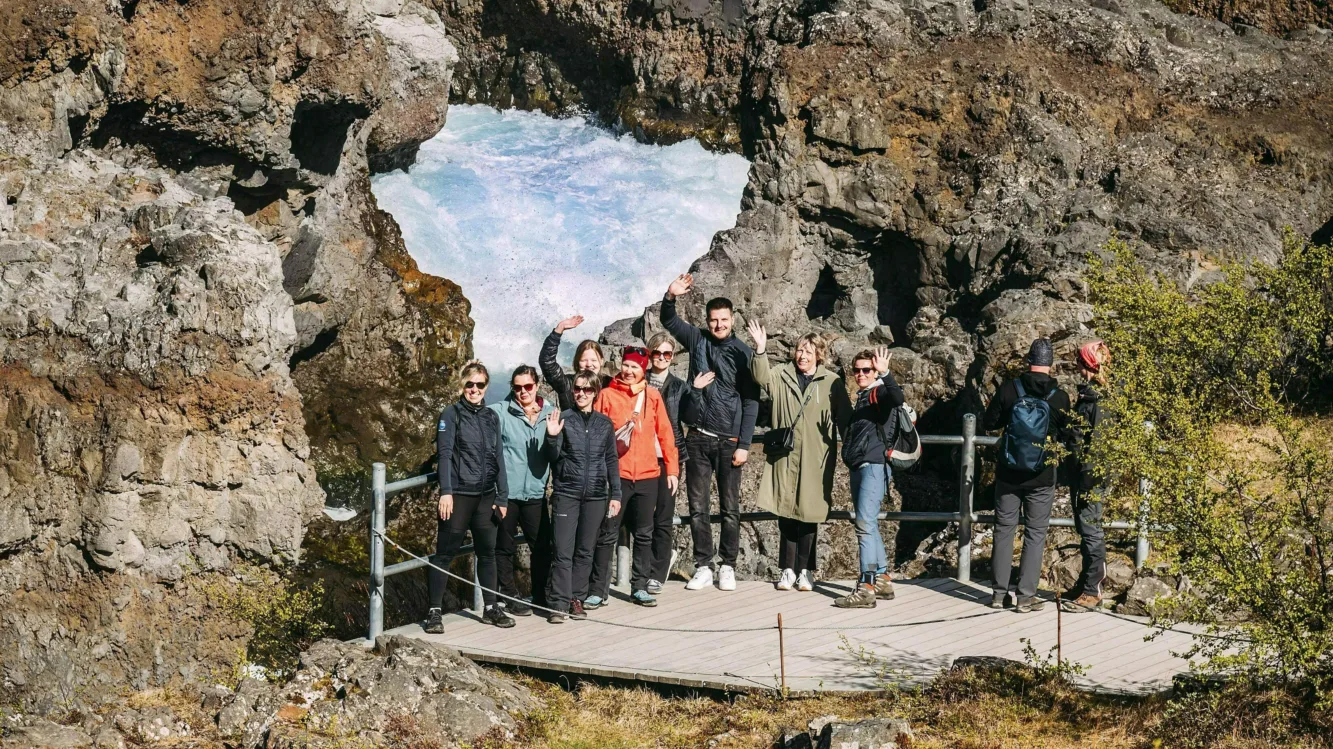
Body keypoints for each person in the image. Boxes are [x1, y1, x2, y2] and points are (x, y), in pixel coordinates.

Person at [661, 273, 760, 592]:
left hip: (729, 441)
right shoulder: (697, 339)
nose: (719, 325)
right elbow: (669, 320)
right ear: (707, 320)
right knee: (698, 506)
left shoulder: (743, 352)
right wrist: (670, 294)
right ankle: (704, 565)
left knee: (730, 508)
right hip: (698, 438)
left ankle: (728, 566)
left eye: (724, 320)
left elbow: (751, 400)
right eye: (714, 320)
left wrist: (744, 443)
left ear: (732, 320)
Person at [746, 321, 850, 593]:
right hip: (786, 457)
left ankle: (805, 571)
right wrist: (760, 349)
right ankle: (787, 570)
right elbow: (760, 377)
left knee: (809, 515)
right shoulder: (781, 374)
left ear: (819, 354)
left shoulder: (832, 382)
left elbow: (846, 419)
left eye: (808, 351)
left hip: (817, 458)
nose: (802, 355)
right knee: (786, 514)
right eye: (799, 350)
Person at [983, 338, 1072, 613]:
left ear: (1028, 360)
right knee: (1035, 533)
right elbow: (1068, 434)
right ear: (1051, 363)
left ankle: (998, 594)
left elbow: (989, 423)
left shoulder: (1011, 388)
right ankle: (1025, 597)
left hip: (1009, 473)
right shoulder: (1059, 396)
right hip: (1042, 476)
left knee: (1004, 529)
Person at [425, 361, 514, 634]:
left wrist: (503, 496)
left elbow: (498, 457)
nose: (474, 389)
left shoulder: (491, 417)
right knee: (445, 554)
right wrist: (446, 492)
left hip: (487, 497)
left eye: (479, 385)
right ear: (462, 385)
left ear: (486, 387)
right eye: (469, 384)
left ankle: (490, 608)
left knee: (487, 553)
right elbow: (445, 454)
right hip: (460, 495)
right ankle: (434, 613)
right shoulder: (450, 414)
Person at [588, 346, 680, 607]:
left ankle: (639, 586)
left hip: (649, 475)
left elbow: (665, 433)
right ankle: (598, 590)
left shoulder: (652, 396)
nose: (629, 371)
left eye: (635, 368)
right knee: (607, 533)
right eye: (626, 366)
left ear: (643, 371)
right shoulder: (606, 395)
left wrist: (671, 470)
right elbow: (596, 435)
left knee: (644, 533)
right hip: (616, 476)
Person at [542, 370, 621, 623]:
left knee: (585, 551)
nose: (581, 394)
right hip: (567, 493)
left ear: (595, 392)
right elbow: (552, 458)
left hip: (597, 495)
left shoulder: (605, 424)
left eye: (587, 390)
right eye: (577, 389)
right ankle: (558, 603)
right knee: (562, 551)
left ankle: (577, 599)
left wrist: (615, 494)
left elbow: (611, 460)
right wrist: (552, 436)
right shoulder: (563, 419)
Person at [833, 347, 906, 609]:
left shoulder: (880, 393)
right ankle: (883, 579)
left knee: (864, 525)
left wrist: (886, 374)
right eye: (857, 370)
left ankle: (866, 587)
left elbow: (897, 398)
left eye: (867, 370)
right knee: (869, 523)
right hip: (861, 465)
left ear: (875, 371)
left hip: (873, 466)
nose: (861, 374)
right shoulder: (864, 396)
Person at [488, 365, 557, 616]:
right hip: (507, 495)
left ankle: (540, 594)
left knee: (541, 548)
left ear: (536, 385)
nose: (523, 392)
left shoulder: (550, 414)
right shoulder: (499, 412)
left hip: (536, 495)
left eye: (528, 386)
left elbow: (557, 451)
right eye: (517, 387)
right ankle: (509, 594)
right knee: (503, 547)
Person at [1061, 341, 1111, 613]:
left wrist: (1087, 477)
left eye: (1079, 361)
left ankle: (1093, 590)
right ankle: (1086, 584)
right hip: (1084, 473)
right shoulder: (1091, 395)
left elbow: (1098, 444)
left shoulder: (1099, 399)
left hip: (1090, 476)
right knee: (1085, 528)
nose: (1076, 366)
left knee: (1091, 529)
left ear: (1088, 364)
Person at [645, 332, 688, 595]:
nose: (661, 358)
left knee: (663, 515)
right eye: (657, 353)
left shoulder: (679, 386)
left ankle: (657, 572)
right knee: (640, 517)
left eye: (667, 354)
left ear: (672, 357)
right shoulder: (636, 381)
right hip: (640, 456)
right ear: (649, 354)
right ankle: (643, 567)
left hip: (668, 456)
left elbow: (691, 415)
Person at [540, 315, 613, 411]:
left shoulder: (610, 384)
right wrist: (559, 329)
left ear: (601, 361)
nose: (589, 364)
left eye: (594, 360)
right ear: (577, 362)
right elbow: (547, 363)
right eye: (583, 360)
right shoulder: (567, 384)